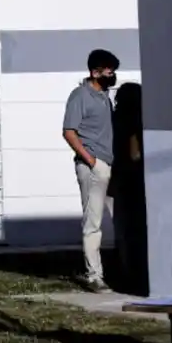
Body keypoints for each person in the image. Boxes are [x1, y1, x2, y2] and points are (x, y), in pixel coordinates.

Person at [63, 49, 119, 292]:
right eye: (108, 70)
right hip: (93, 167)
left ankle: (118, 269)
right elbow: (69, 131)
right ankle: (94, 276)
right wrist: (91, 161)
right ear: (95, 71)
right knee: (93, 222)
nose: (112, 74)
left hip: (109, 164)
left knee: (117, 219)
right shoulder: (79, 96)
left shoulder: (105, 96)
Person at [112, 81, 147, 295]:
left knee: (125, 230)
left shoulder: (116, 118)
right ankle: (136, 275)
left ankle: (127, 272)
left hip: (121, 177)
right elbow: (135, 154)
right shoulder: (134, 120)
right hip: (134, 179)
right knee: (137, 230)